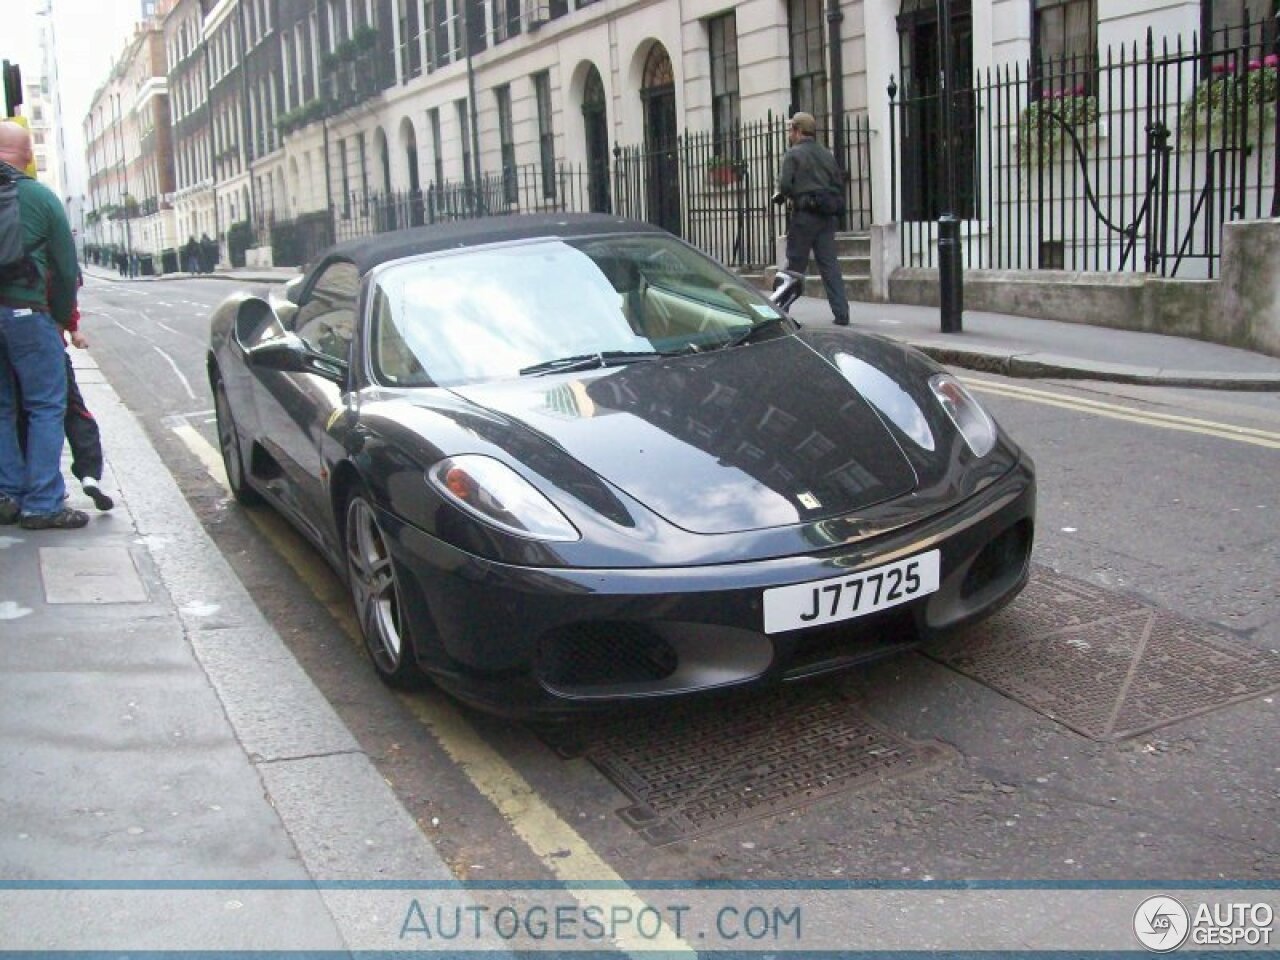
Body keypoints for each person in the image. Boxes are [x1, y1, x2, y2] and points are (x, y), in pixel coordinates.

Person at [0, 120, 88, 529]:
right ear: (28, 157)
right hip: (27, 313)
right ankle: (43, 502)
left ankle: (8, 495)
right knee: (45, 406)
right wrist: (61, 317)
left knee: (1, 407)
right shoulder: (38, 196)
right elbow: (66, 269)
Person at [772, 112, 850, 326]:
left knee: (794, 266)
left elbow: (786, 185)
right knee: (830, 265)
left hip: (804, 215)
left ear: (797, 131)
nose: (789, 134)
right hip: (826, 217)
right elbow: (837, 184)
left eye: (791, 130)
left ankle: (780, 309)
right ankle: (842, 313)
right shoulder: (827, 154)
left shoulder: (793, 154)